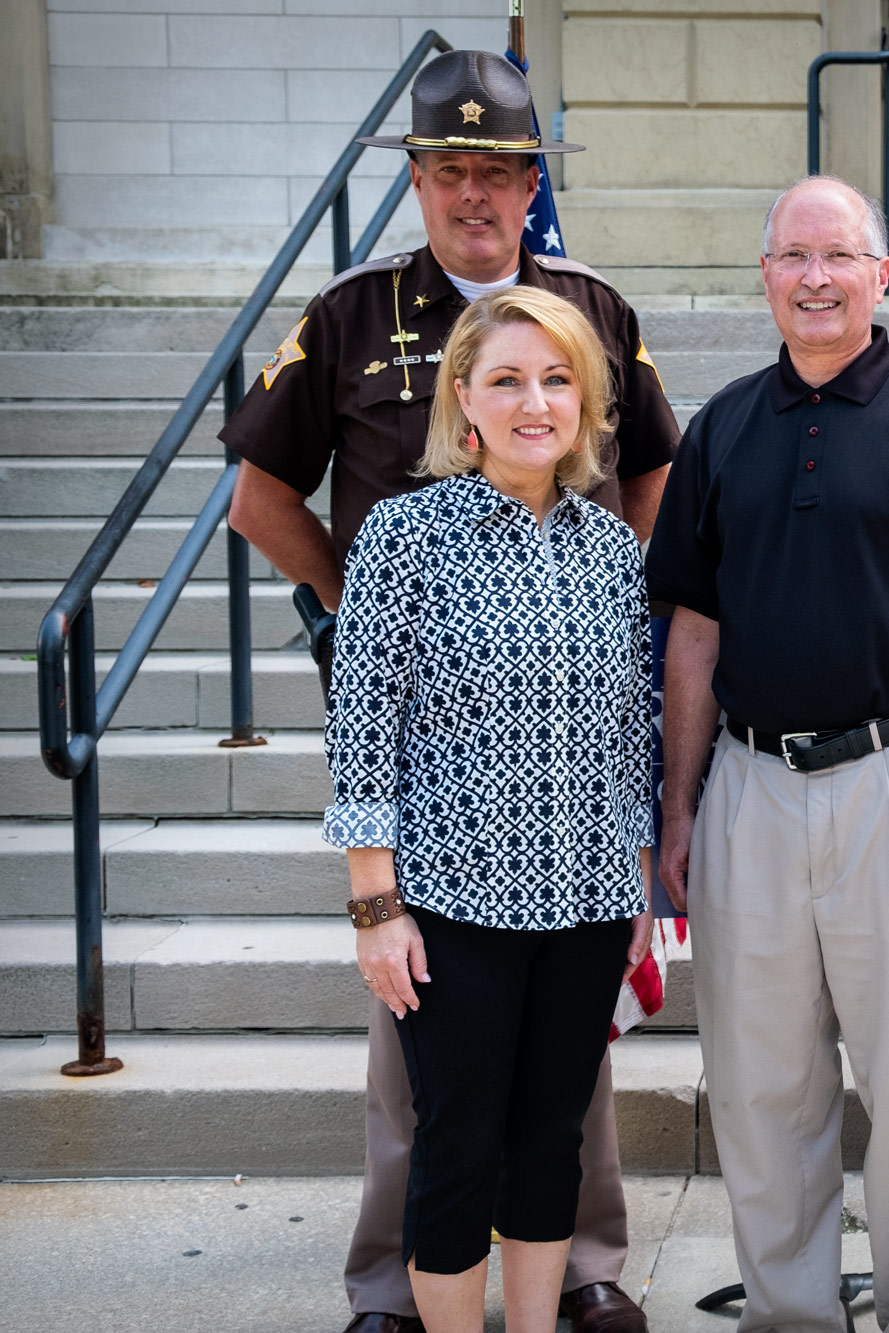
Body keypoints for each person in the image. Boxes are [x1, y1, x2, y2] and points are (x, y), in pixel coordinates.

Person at [222, 49, 677, 1333]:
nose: (475, 193)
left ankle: (577, 1274)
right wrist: (352, 613)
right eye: (450, 171)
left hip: (577, 845)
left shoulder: (590, 305)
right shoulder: (354, 313)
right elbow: (263, 494)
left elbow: (649, 477)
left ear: (533, 183)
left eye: (500, 172)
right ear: (417, 181)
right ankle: (398, 1296)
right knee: (429, 1101)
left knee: (550, 1105)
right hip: (441, 809)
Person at [649, 174, 889, 1333]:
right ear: (764, 277)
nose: (814, 279)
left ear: (882, 272)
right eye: (791, 257)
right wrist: (677, 806)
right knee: (764, 1088)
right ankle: (789, 1315)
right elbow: (692, 632)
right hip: (749, 789)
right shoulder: (720, 426)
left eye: (838, 256)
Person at [325, 285, 653, 1333]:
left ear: (587, 404)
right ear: (463, 398)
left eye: (557, 379)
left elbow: (626, 733)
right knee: (459, 1143)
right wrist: (376, 906)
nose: (533, 401)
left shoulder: (611, 551)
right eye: (506, 379)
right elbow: (363, 723)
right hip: (452, 905)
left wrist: (637, 883)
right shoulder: (403, 534)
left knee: (551, 1139)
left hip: (587, 902)